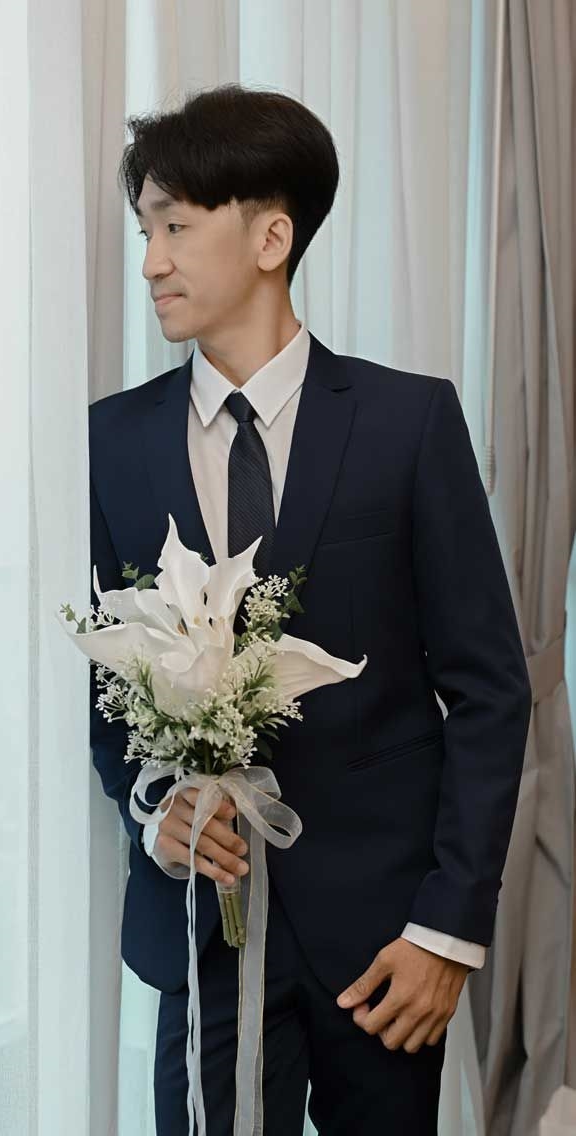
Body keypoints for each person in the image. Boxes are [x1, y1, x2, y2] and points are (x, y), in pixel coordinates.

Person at [88, 83, 532, 1134]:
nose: (150, 262)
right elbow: (108, 688)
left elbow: (487, 690)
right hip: (202, 935)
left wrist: (444, 932)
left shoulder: (407, 421)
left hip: (384, 944)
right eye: (145, 231)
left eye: (174, 227)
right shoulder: (113, 440)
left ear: (270, 237)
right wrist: (157, 812)